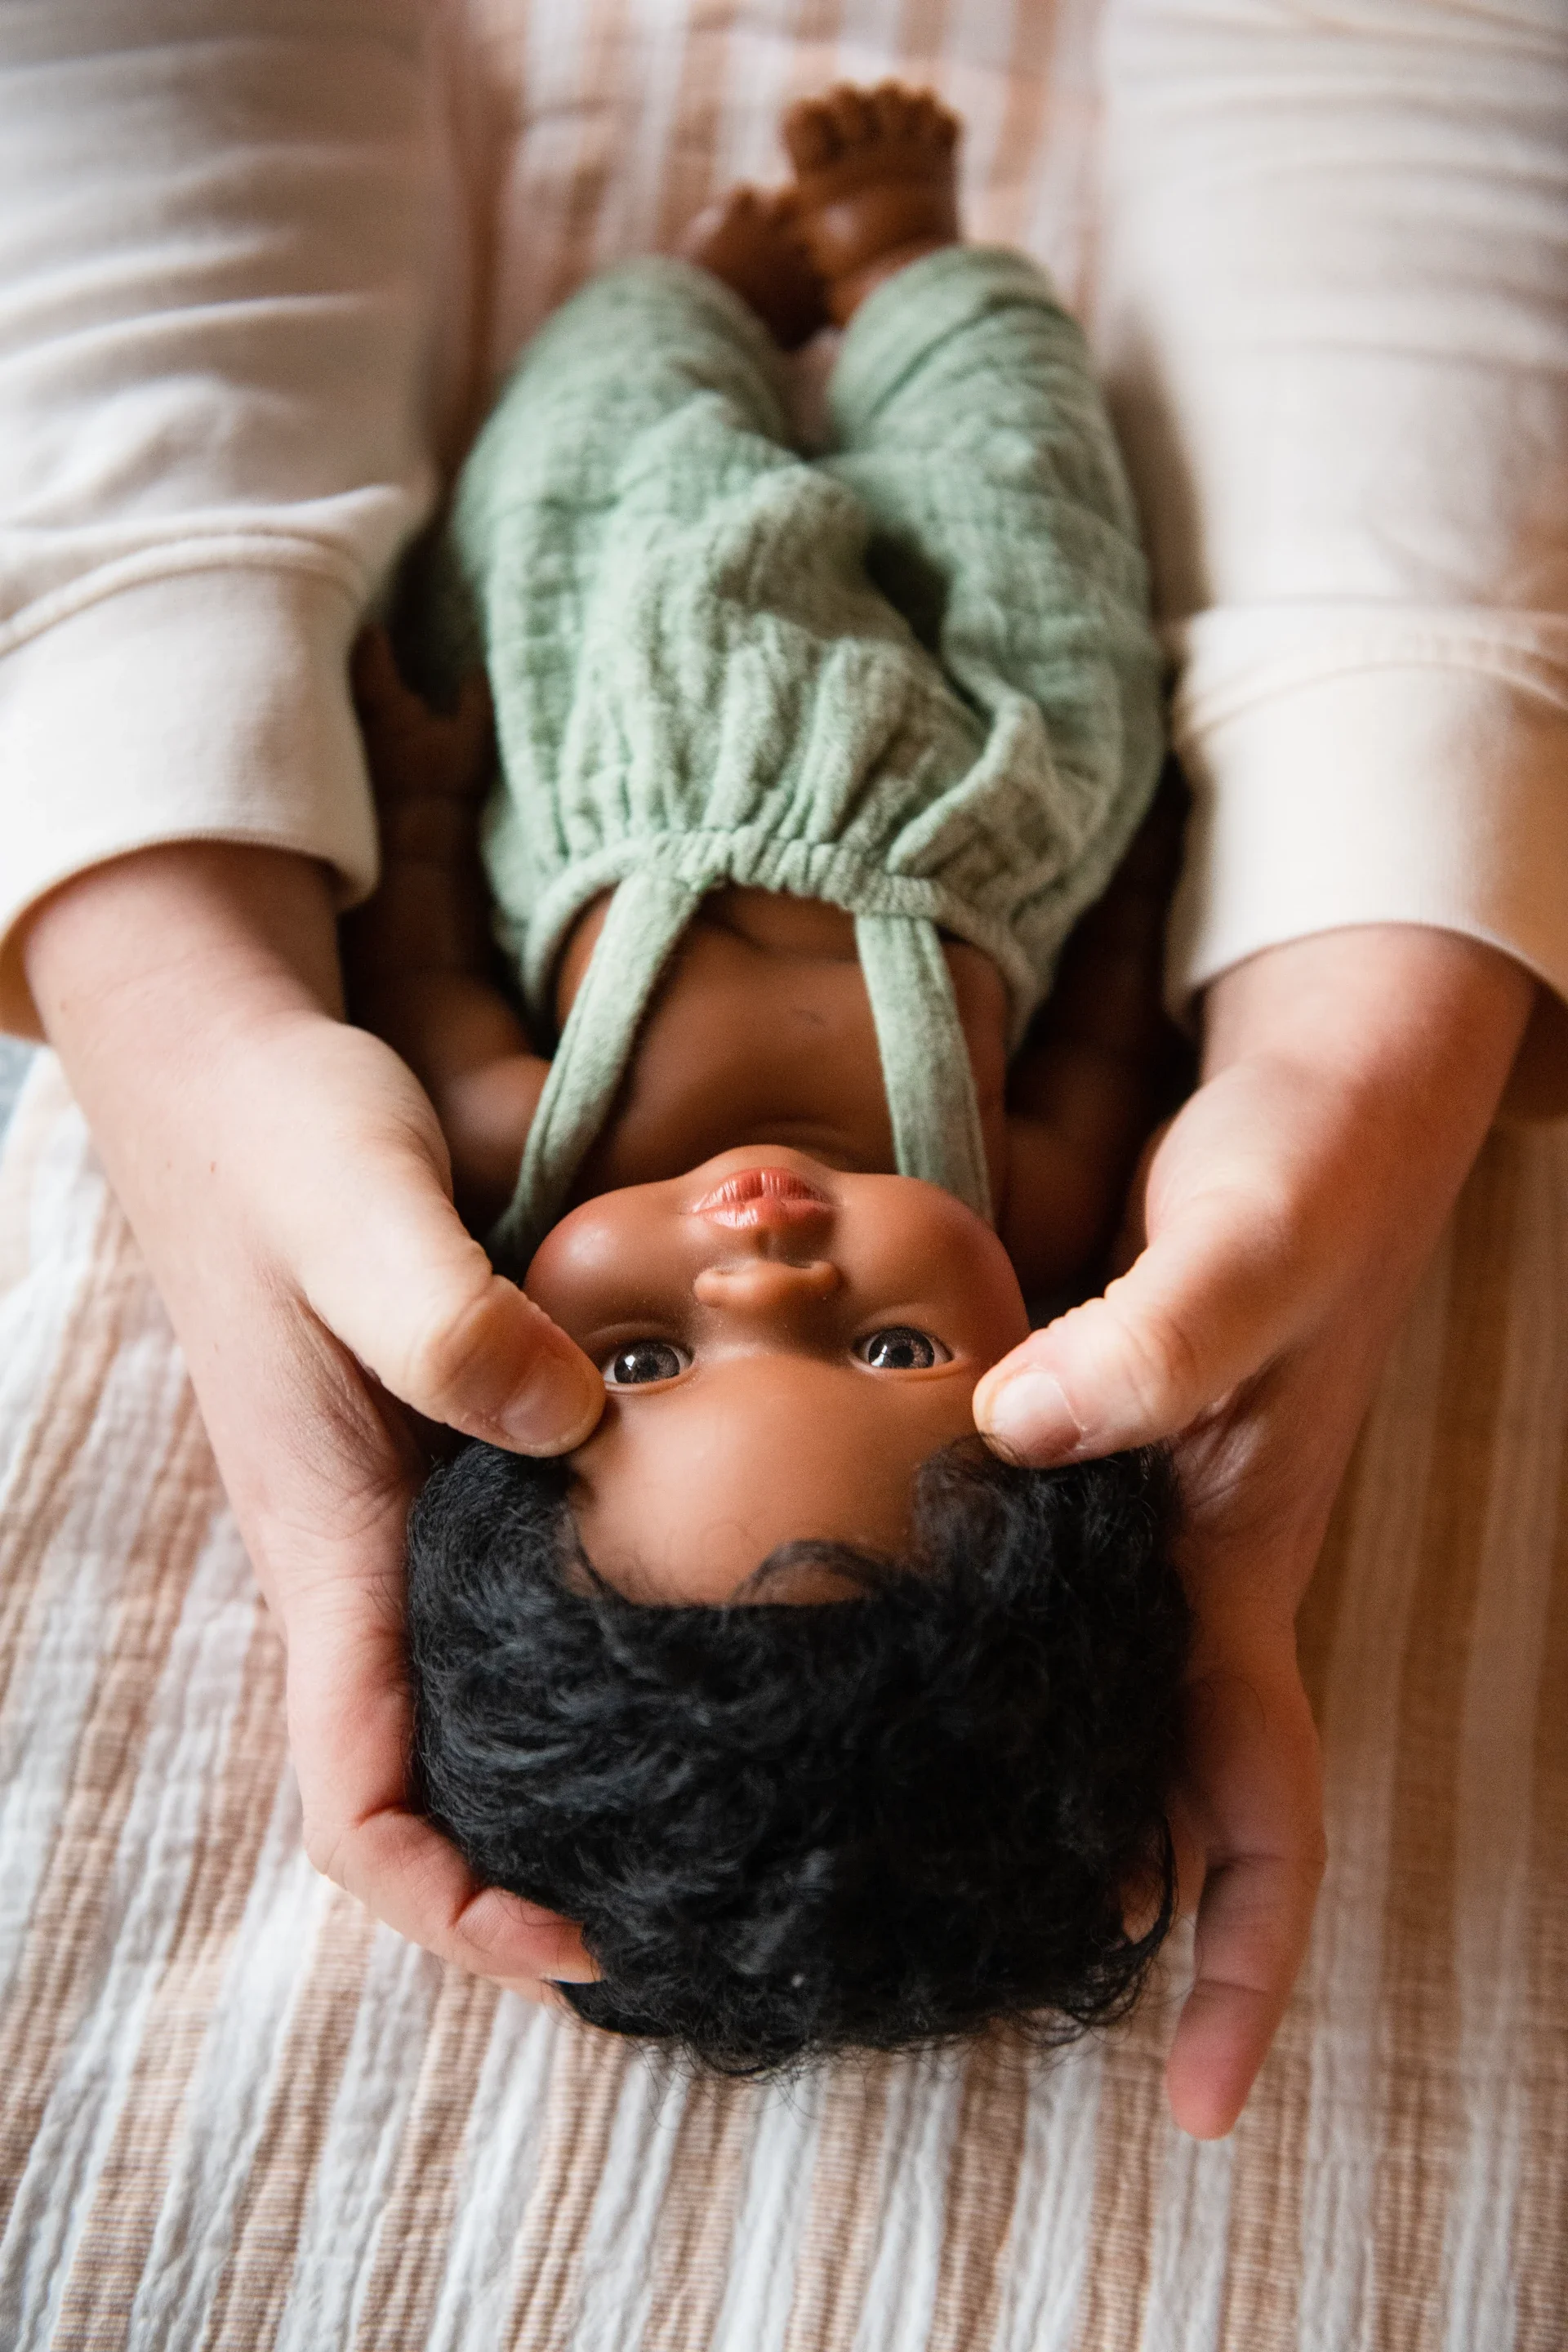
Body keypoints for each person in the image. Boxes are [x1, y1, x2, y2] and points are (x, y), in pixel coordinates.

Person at [4, 1, 1561, 2136]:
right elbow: (1119, 1024)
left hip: (640, 711)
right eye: (903, 1353)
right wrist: (1159, 892)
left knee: (589, 469)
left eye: (635, 1368)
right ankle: (916, 266)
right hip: (989, 757)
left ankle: (705, 299)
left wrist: (431, 803)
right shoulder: (1033, 1178)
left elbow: (441, 940)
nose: (762, 1264)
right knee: (1032, 496)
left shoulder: (496, 1141)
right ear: (1070, 1375)